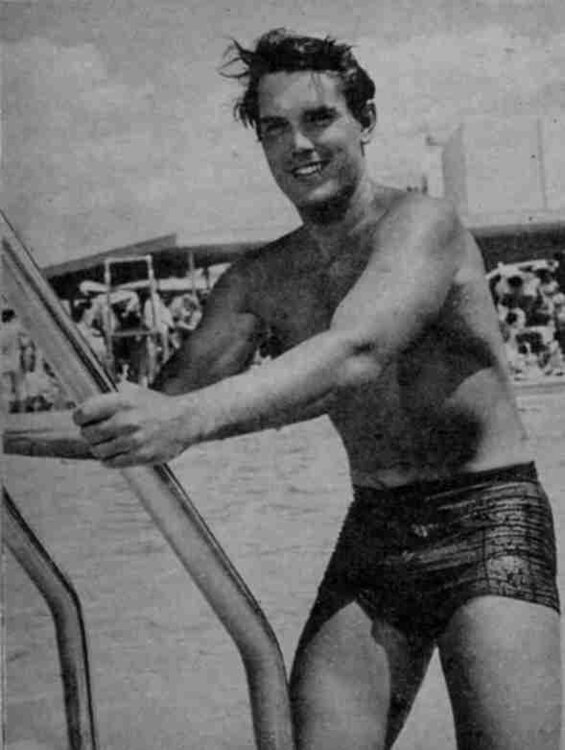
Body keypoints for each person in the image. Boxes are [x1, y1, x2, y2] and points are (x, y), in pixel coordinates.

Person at [74, 30, 561, 750]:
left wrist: (187, 420)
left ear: (365, 121)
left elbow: (354, 351)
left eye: (319, 119)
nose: (298, 145)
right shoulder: (257, 280)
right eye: (275, 128)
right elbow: (153, 409)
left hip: (488, 516)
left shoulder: (423, 225)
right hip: (377, 527)